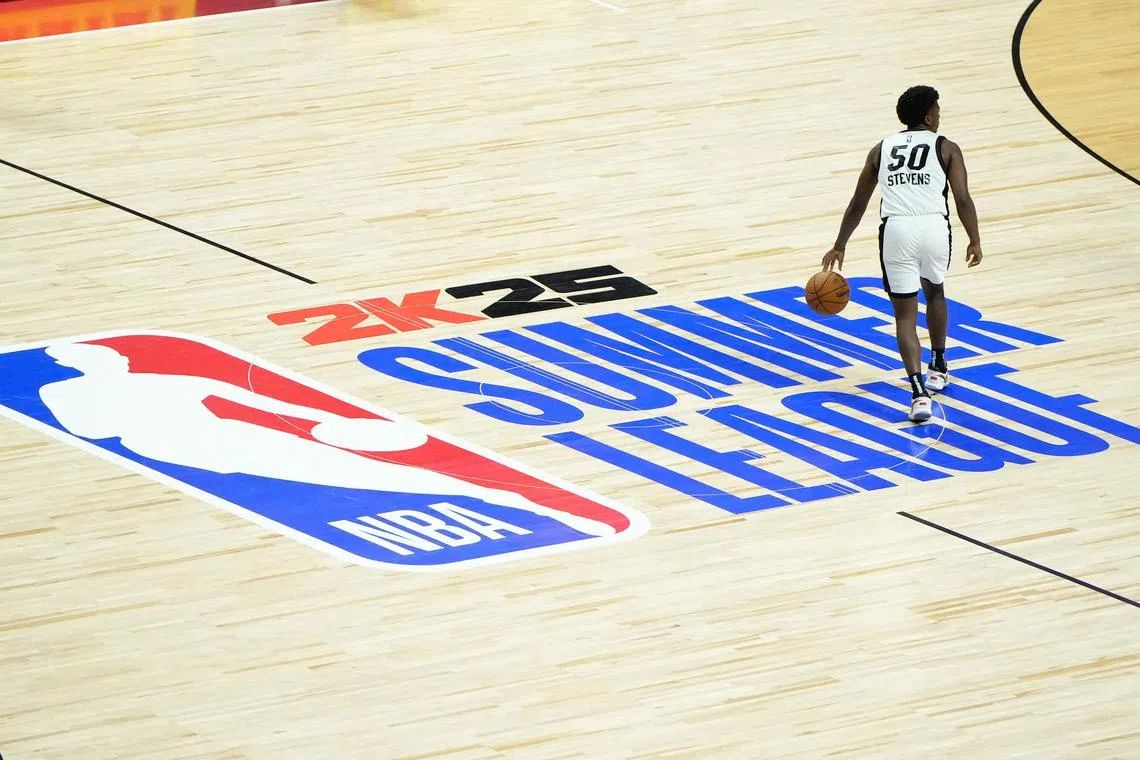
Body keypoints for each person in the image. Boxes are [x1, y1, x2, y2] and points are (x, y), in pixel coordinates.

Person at [39, 342, 615, 537]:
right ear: (79, 361)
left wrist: (321, 423)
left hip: (224, 437)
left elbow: (270, 403)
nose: (113, 354)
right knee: (379, 483)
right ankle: (519, 504)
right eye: (99, 353)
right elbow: (93, 432)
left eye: (111, 350)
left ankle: (534, 506)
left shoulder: (171, 377)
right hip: (188, 451)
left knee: (400, 476)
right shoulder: (61, 396)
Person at [821, 85, 982, 422]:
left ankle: (918, 393)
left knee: (905, 316)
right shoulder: (946, 147)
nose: (939, 115)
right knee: (935, 292)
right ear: (928, 117)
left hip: (896, 230)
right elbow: (962, 199)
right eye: (937, 110)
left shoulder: (881, 149)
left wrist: (840, 243)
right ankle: (938, 363)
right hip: (934, 227)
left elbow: (858, 202)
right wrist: (974, 238)